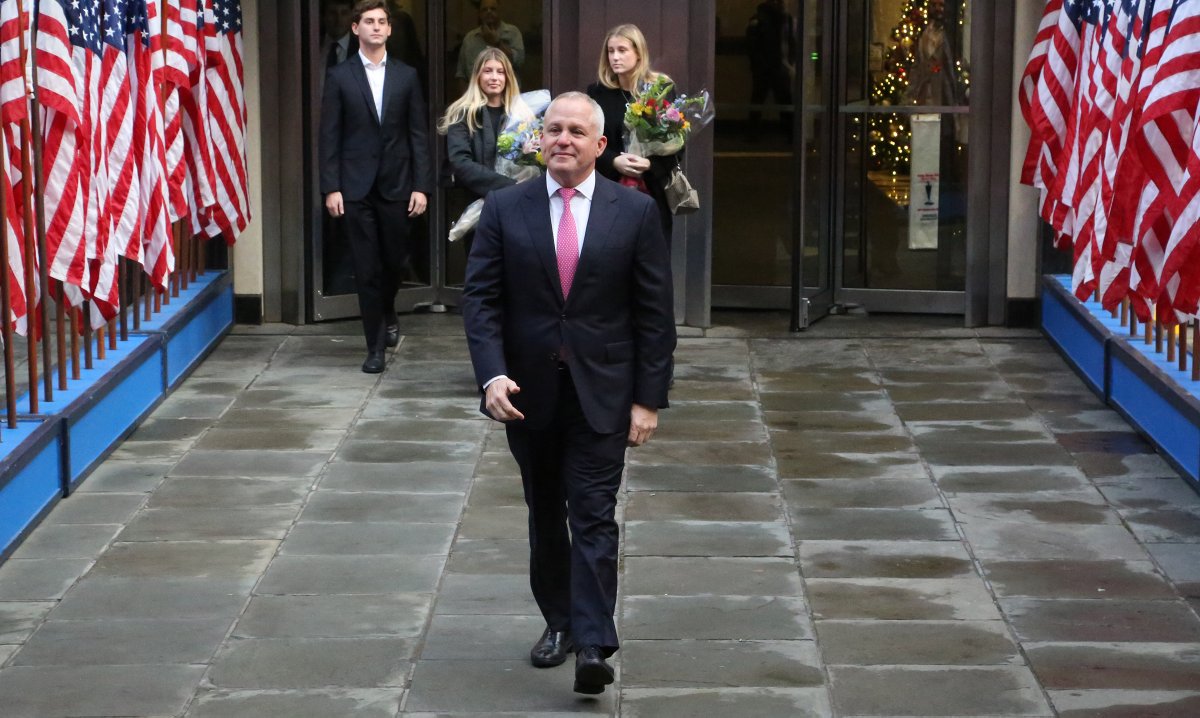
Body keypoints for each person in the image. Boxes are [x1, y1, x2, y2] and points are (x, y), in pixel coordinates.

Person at [461, 92, 676, 695]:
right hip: (528, 394)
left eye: (577, 132)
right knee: (545, 516)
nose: (563, 139)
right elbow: (480, 301)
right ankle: (558, 621)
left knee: (593, 515)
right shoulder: (505, 208)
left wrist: (648, 398)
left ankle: (591, 643)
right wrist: (491, 374)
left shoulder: (631, 215)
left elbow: (654, 315)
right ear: (538, 140)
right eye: (553, 129)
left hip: (603, 393)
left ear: (600, 146)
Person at [319, 0, 433, 373]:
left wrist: (422, 185)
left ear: (390, 30)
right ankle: (374, 348)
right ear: (356, 28)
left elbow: (418, 133)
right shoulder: (340, 76)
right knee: (366, 268)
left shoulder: (406, 75)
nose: (376, 27)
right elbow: (329, 135)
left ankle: (387, 308)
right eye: (369, 21)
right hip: (355, 187)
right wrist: (331, 187)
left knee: (393, 261)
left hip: (398, 184)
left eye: (382, 22)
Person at [586, 24, 676, 242]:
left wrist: (650, 165)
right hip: (609, 189)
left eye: (622, 50)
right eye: (611, 51)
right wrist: (614, 161)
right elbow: (589, 141)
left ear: (638, 53)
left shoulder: (661, 90)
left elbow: (676, 142)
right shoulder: (598, 93)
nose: (615, 57)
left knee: (652, 259)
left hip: (652, 191)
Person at [438, 47, 522, 257]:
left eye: (500, 72)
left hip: (517, 207)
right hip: (478, 206)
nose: (494, 77)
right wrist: (510, 187)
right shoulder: (462, 113)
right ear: (477, 76)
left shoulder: (522, 114)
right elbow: (460, 162)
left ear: (508, 77)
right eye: (488, 71)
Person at [745, 0, 795, 139]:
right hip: (775, 67)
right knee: (782, 101)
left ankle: (753, 134)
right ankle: (789, 134)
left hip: (770, 67)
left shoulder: (761, 19)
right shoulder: (780, 19)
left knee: (760, 100)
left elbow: (752, 44)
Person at [455, 0, 525, 85]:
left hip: (507, 96)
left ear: (499, 11)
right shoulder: (470, 39)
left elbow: (519, 62)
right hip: (478, 96)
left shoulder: (513, 33)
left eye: (493, 9)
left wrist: (497, 43)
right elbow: (461, 75)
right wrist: (468, 98)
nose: (489, 12)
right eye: (484, 9)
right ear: (479, 14)